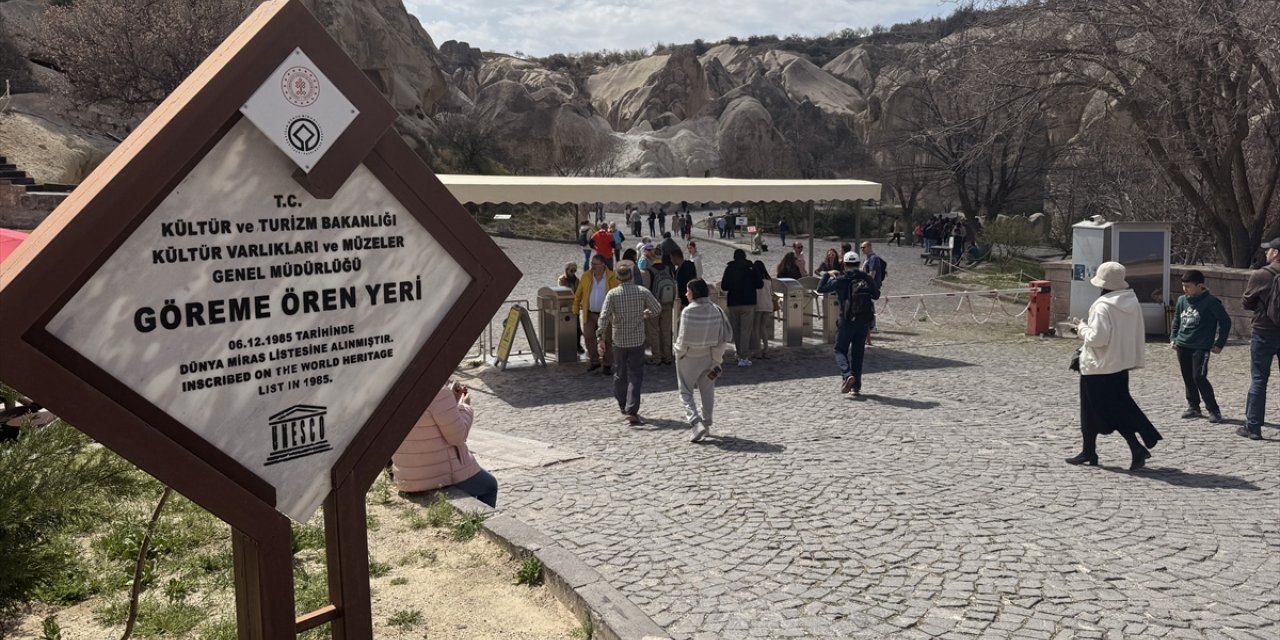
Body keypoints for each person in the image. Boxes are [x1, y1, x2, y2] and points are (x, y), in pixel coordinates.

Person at [1066, 262, 1163, 470]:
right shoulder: (1131, 301)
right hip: (1120, 365)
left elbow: (1098, 338)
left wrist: (1081, 327)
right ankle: (1089, 450)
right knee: (1103, 410)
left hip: (1098, 367)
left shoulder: (1103, 306)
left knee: (1107, 411)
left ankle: (1135, 447)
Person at [392, 380, 498, 507]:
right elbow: (458, 436)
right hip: (437, 475)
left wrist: (450, 402)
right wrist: (464, 407)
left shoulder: (393, 388)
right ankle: (474, 525)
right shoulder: (438, 391)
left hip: (406, 476)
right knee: (490, 485)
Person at [598, 264, 661, 425]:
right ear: (631, 276)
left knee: (620, 372)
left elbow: (604, 317)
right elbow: (657, 309)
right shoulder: (642, 291)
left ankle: (621, 403)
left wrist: (600, 337)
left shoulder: (612, 294)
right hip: (637, 340)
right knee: (635, 375)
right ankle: (632, 409)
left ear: (617, 278)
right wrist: (643, 315)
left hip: (619, 340)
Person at [675, 279, 733, 443]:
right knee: (707, 391)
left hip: (689, 358)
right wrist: (716, 361)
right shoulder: (716, 310)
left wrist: (678, 352)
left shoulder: (688, 311)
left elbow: (683, 339)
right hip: (709, 357)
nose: (686, 294)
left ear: (693, 292)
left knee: (686, 392)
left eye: (687, 291)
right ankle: (706, 424)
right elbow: (721, 339)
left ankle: (696, 423)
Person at [1169, 269, 1230, 423]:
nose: (1185, 289)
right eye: (1183, 286)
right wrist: (1173, 337)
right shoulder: (1182, 300)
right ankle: (1193, 406)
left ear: (1200, 285)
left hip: (1201, 346)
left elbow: (1225, 322)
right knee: (1188, 376)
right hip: (1183, 344)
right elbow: (1176, 320)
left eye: (1188, 286)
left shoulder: (1211, 302)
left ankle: (1214, 410)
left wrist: (1219, 343)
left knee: (1199, 376)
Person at [818, 252, 879, 394]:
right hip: (863, 322)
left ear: (844, 265)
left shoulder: (841, 279)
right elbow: (876, 295)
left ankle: (847, 375)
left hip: (846, 320)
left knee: (840, 350)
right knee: (858, 354)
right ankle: (856, 385)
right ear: (858, 263)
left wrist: (827, 273)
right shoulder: (866, 278)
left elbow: (821, 288)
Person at [1240, 237, 1280, 440]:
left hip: (1264, 331)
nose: (1266, 253)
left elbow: (1246, 303)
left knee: (1259, 379)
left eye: (1269, 250)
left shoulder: (1261, 275)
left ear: (1276, 254)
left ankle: (1253, 426)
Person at [573, 255, 618, 374]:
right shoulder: (586, 276)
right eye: (592, 264)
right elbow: (578, 294)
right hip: (589, 313)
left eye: (595, 264)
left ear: (603, 265)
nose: (592, 266)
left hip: (605, 314)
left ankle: (607, 364)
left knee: (607, 339)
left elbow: (617, 295)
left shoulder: (612, 277)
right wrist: (575, 309)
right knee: (588, 337)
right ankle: (594, 361)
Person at [720, 248, 763, 367]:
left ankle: (739, 353)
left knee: (736, 330)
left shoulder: (729, 268)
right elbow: (760, 284)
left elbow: (724, 286)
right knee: (745, 330)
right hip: (748, 303)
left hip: (733, 303)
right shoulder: (751, 267)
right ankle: (744, 356)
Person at [559, 262, 585, 355]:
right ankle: (567, 345)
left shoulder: (577, 280)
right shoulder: (562, 280)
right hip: (566, 305)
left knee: (577, 327)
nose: (573, 272)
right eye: (571, 270)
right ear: (566, 270)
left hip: (575, 306)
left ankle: (578, 345)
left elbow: (580, 292)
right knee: (566, 327)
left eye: (575, 270)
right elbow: (563, 292)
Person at [752, 260, 774, 360]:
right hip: (768, 305)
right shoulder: (769, 280)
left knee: (756, 328)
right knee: (763, 327)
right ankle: (766, 349)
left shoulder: (755, 280)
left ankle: (758, 351)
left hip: (758, 305)